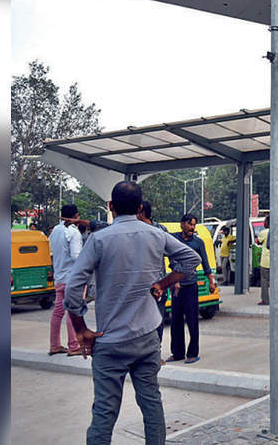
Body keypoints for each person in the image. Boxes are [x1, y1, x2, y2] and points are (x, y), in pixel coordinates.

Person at [64, 181, 201, 445]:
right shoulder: (156, 234)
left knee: (104, 413)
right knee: (151, 404)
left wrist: (81, 329)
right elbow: (191, 260)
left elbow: (73, 289)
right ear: (140, 208)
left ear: (111, 207)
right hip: (148, 337)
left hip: (110, 341)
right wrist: (164, 283)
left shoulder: (99, 239)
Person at [166, 213, 215, 365]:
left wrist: (211, 281)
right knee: (176, 320)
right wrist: (176, 277)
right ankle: (177, 352)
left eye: (194, 225)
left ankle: (193, 353)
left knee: (192, 320)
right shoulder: (173, 239)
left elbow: (205, 263)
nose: (192, 228)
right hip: (176, 286)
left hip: (191, 285)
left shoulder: (198, 242)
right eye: (189, 224)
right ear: (182, 224)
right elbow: (170, 258)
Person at [49, 204, 84, 356]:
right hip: (73, 278)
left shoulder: (55, 231)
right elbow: (76, 256)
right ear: (75, 216)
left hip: (59, 277)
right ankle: (74, 346)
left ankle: (55, 345)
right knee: (73, 311)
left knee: (58, 312)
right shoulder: (73, 232)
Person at [137, 201, 169, 344]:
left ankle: (156, 352)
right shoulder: (137, 230)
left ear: (141, 212)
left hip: (157, 286)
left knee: (157, 320)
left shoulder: (159, 230)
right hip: (143, 284)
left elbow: (175, 254)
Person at [256, 216, 270, 306]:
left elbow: (258, 242)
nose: (263, 223)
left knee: (264, 281)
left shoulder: (263, 232)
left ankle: (265, 300)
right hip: (276, 261)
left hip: (265, 260)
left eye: (265, 222)